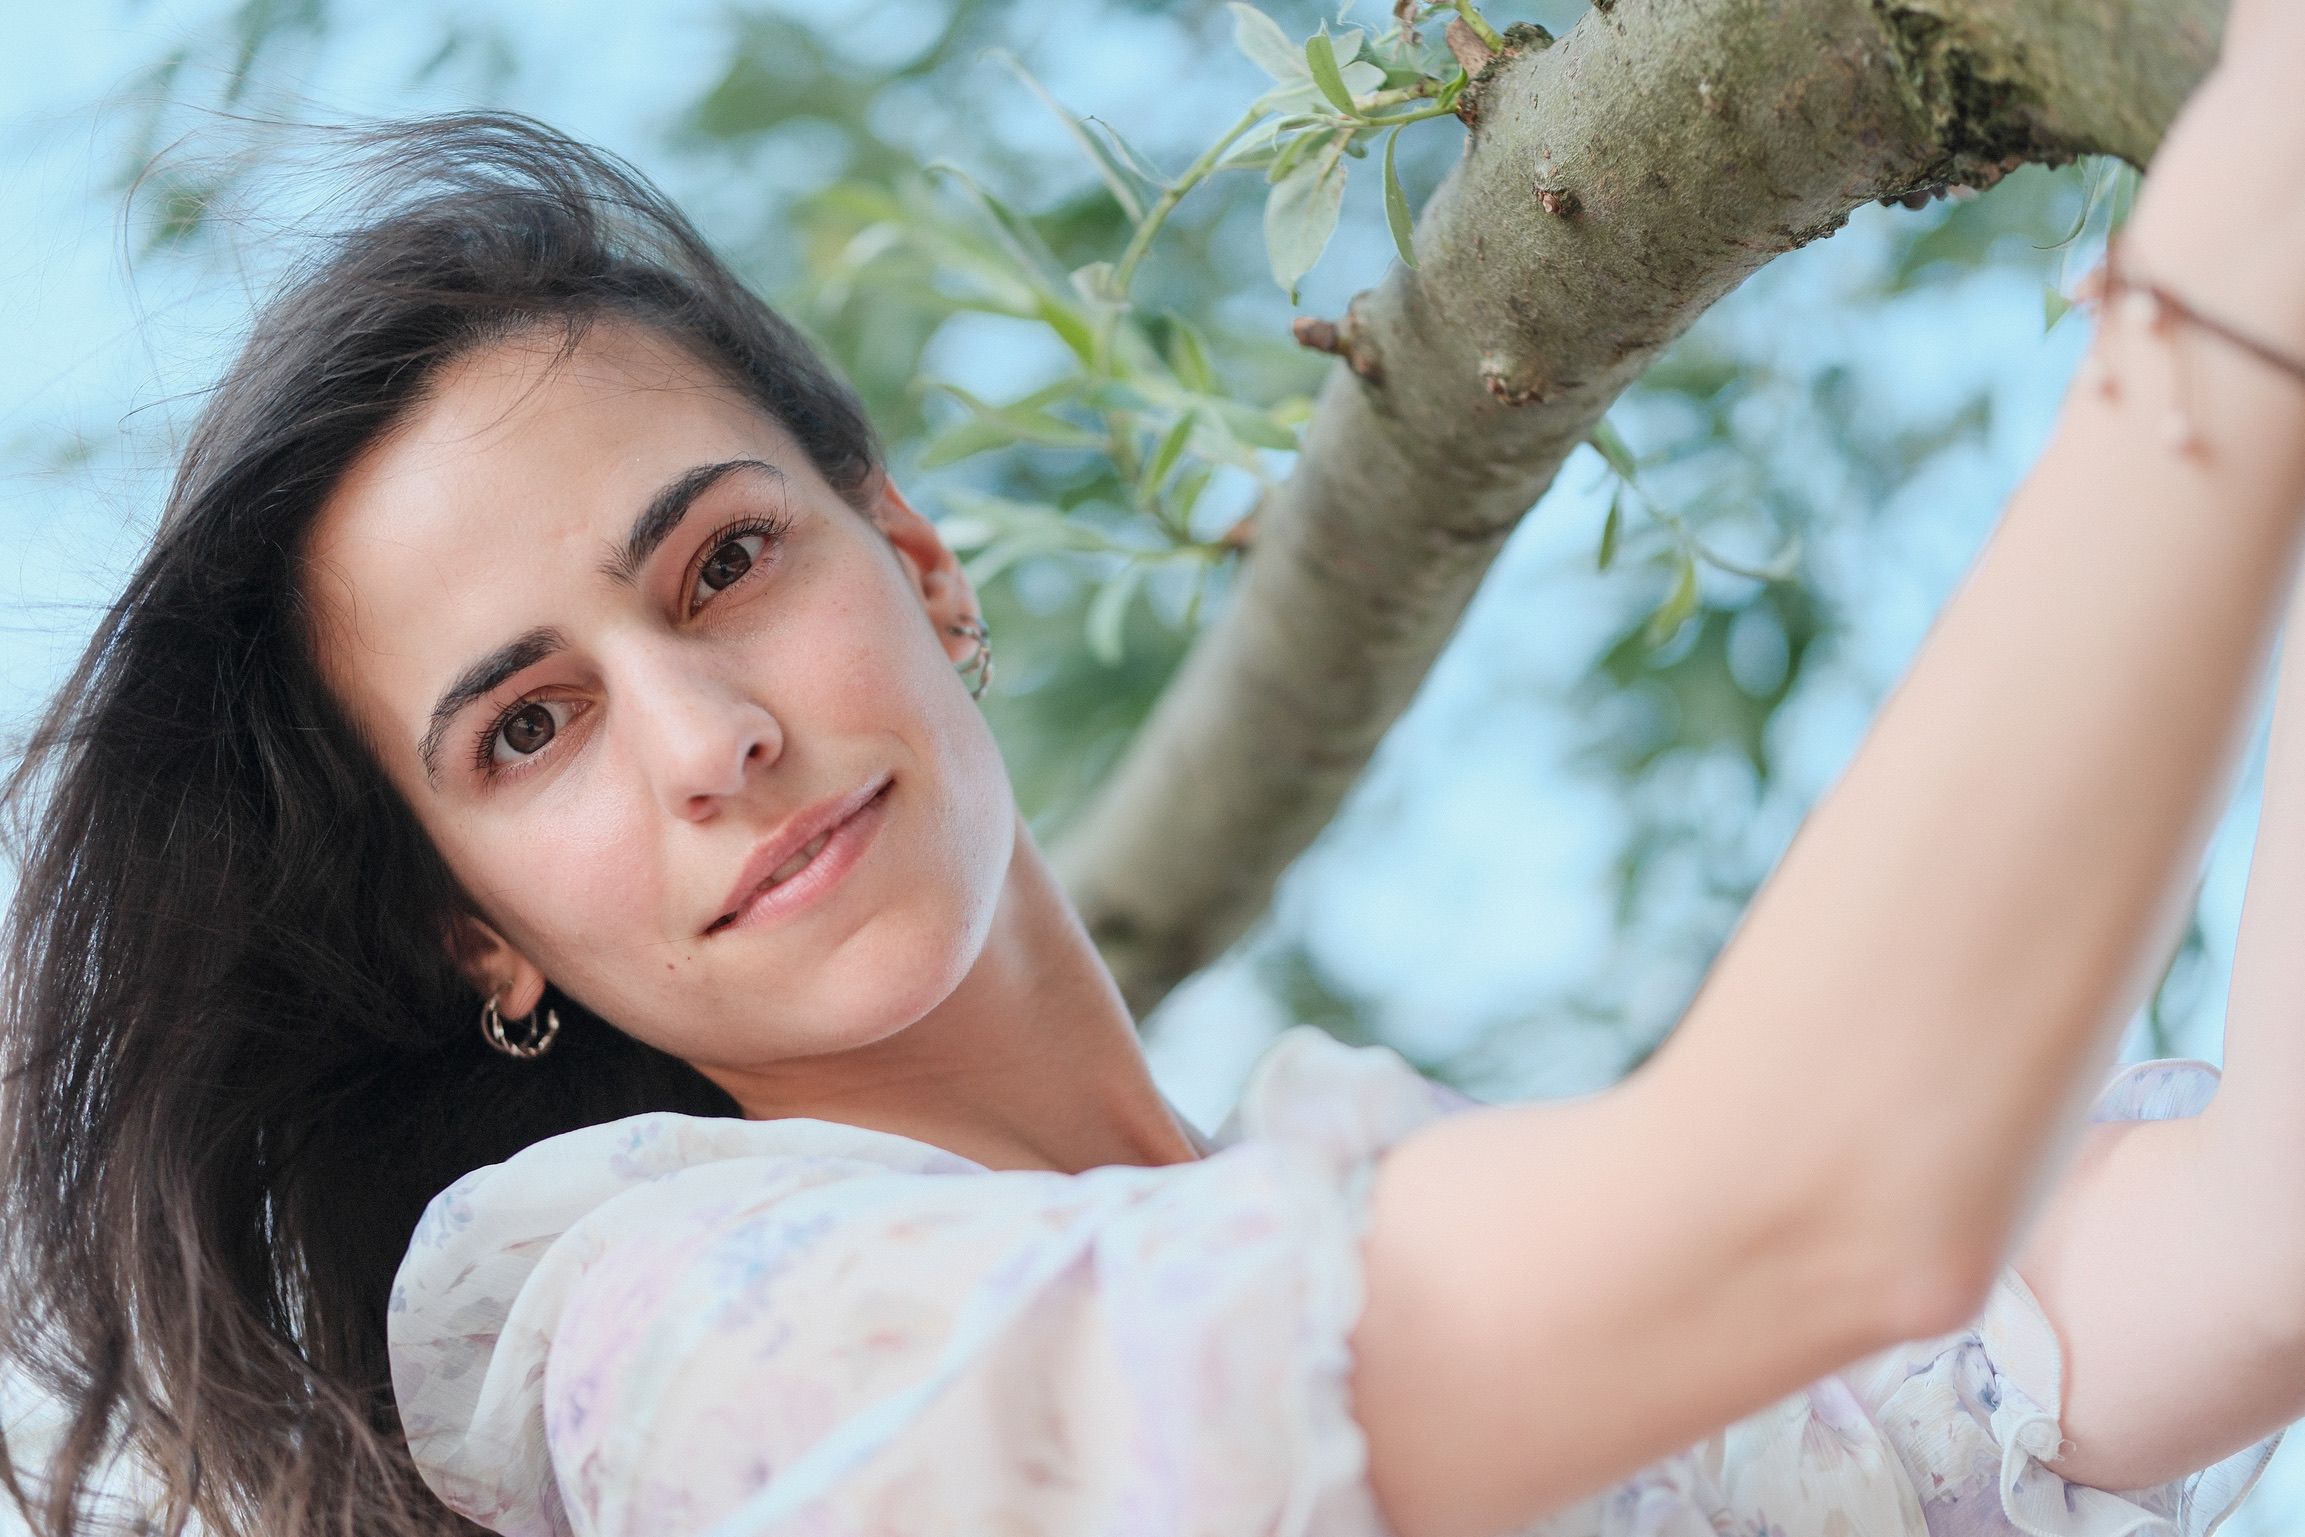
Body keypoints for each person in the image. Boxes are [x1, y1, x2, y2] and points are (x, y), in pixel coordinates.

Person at [5, 0, 2305, 1529]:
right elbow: (1832, 1204)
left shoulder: (1407, 1219)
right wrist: (2229, 274)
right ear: (477, 930)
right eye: (530, 727)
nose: (709, 738)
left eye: (722, 564)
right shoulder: (689, 1346)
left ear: (917, 557)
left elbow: (2239, 1249)